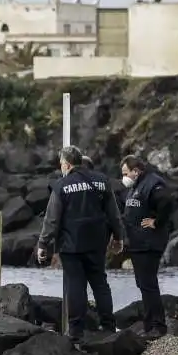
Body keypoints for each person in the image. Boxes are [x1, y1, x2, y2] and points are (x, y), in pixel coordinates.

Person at [37, 146, 124, 342]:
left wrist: (43, 244)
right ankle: (108, 326)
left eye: (61, 164)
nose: (61, 167)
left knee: (76, 285)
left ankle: (76, 330)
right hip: (97, 242)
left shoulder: (61, 186)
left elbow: (52, 219)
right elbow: (113, 214)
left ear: (67, 164)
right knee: (100, 283)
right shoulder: (103, 181)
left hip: (71, 244)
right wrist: (119, 237)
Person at [120, 155, 171, 338]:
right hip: (138, 242)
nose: (123, 177)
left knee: (148, 284)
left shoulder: (153, 183)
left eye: (126, 173)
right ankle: (149, 324)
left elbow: (166, 202)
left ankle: (158, 325)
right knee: (143, 283)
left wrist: (156, 222)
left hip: (149, 242)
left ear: (136, 170)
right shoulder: (136, 185)